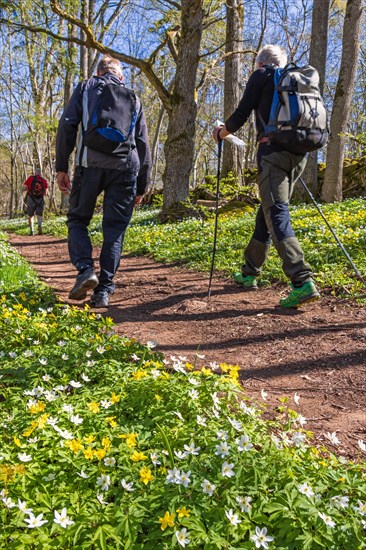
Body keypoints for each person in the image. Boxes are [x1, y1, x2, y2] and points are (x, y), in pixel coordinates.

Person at [213, 44, 320, 309]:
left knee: (277, 212)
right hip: (299, 153)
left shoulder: (262, 76)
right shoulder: (295, 81)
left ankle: (301, 279)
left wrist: (221, 133)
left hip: (272, 152)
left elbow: (242, 112)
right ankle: (249, 272)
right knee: (268, 209)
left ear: (260, 63)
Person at [56, 55, 152, 308]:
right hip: (125, 169)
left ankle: (86, 269)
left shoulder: (86, 87)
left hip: (90, 165)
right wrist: (142, 185)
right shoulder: (134, 96)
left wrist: (61, 167)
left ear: (98, 72)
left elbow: (67, 126)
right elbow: (143, 144)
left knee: (78, 219)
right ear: (120, 76)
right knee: (114, 230)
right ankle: (104, 291)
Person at [22, 168, 49, 235]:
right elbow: (46, 193)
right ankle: (39, 226)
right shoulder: (44, 180)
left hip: (31, 198)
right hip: (40, 199)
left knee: (31, 215)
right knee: (39, 214)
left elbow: (24, 188)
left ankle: (32, 231)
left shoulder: (30, 178)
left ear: (35, 173)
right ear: (40, 173)